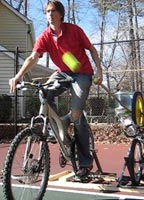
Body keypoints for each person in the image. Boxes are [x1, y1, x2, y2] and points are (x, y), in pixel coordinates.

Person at [9, 0, 103, 179]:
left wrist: (99, 70)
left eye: (53, 11)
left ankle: (85, 162)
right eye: (47, 11)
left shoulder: (74, 30)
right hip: (62, 73)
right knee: (43, 91)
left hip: (82, 74)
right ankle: (57, 127)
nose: (50, 14)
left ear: (60, 13)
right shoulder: (45, 36)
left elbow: (91, 49)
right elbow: (33, 57)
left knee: (77, 116)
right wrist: (18, 75)